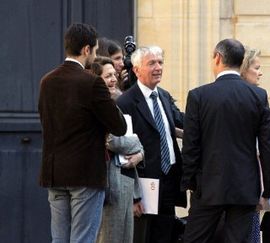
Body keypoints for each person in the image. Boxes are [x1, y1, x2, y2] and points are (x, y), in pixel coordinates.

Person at [38, 23, 127, 243]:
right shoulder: (92, 82)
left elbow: (46, 120)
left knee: (59, 239)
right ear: (86, 49)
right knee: (83, 239)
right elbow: (119, 127)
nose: (95, 55)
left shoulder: (47, 81)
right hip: (85, 174)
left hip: (54, 172)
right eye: (95, 50)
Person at [181, 39, 270, 243]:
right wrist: (267, 190)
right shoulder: (258, 96)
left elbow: (191, 146)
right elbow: (267, 147)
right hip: (244, 188)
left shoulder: (198, 96)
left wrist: (189, 182)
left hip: (207, 187)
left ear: (218, 57)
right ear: (241, 62)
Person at [116, 46, 187, 243]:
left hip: (169, 179)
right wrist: (133, 196)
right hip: (144, 184)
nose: (158, 67)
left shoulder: (163, 96)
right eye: (151, 63)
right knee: (143, 236)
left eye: (160, 62)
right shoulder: (126, 102)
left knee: (165, 234)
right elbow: (122, 150)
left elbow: (181, 121)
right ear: (137, 70)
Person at [89, 57, 144, 243]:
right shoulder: (97, 107)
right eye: (107, 76)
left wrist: (139, 153)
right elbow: (112, 141)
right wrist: (137, 142)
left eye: (114, 75)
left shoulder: (117, 103)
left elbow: (129, 144)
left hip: (126, 182)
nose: (113, 79)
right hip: (110, 184)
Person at [239, 46, 266, 243]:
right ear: (243, 69)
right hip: (246, 184)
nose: (260, 72)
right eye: (256, 68)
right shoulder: (255, 98)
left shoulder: (257, 96)